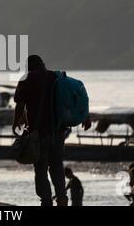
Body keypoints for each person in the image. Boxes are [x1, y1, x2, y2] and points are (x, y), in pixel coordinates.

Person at [12, 55, 91, 206]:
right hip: (58, 131)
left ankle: (46, 200)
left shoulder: (25, 79)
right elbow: (74, 97)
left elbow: (20, 105)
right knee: (56, 165)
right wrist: (85, 115)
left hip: (38, 132)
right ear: (43, 64)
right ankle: (62, 197)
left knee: (41, 168)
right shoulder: (56, 76)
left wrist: (15, 123)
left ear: (28, 67)